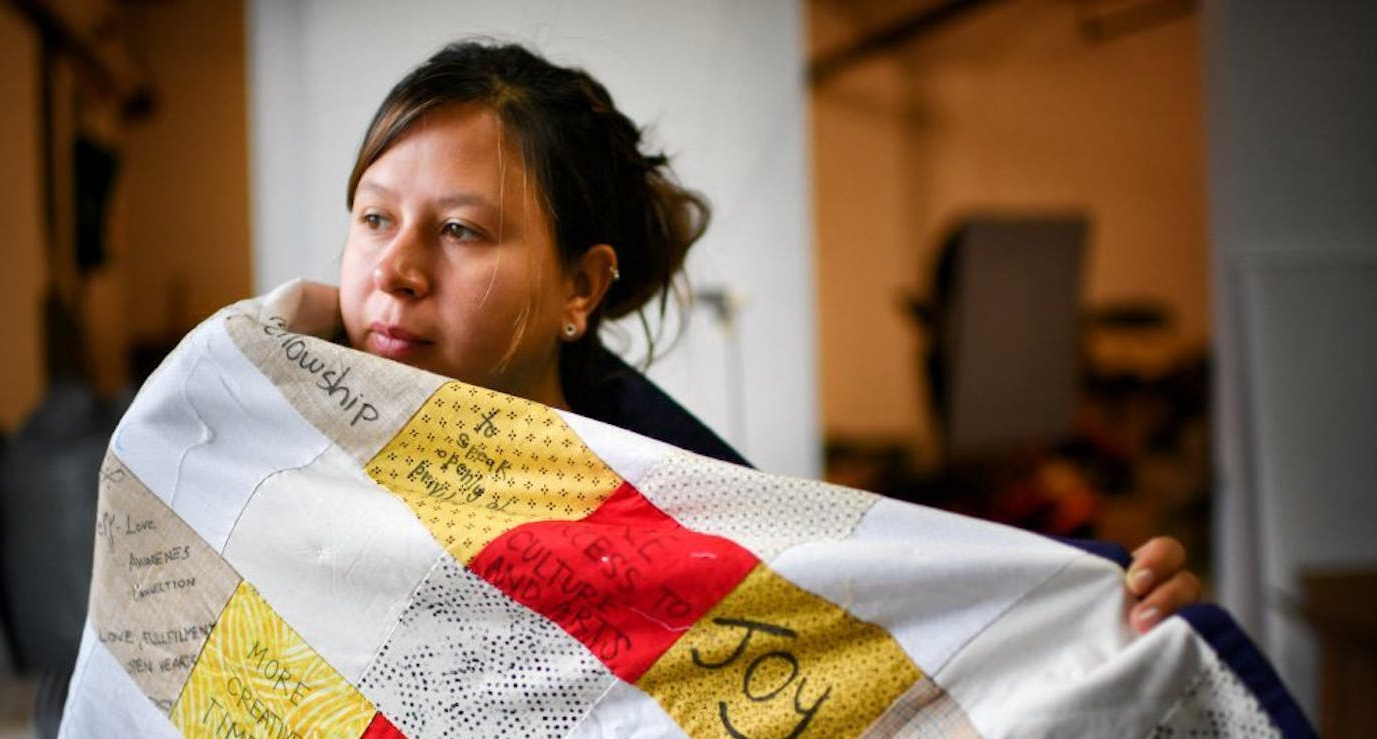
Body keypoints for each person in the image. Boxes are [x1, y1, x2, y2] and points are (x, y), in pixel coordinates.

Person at [334, 40, 1200, 631]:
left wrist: (1090, 624)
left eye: (461, 231)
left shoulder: (708, 535)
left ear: (581, 287)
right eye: (374, 218)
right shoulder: (284, 461)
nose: (395, 269)